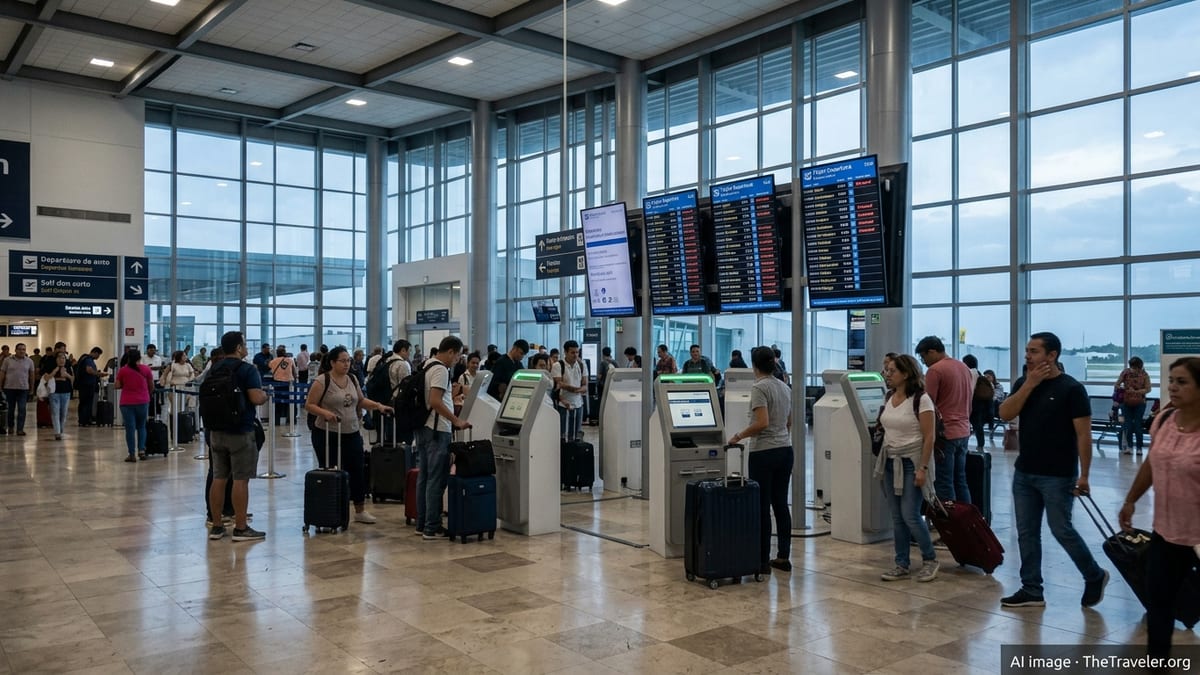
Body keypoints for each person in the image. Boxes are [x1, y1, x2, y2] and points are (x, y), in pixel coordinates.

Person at [997, 331, 1108, 608]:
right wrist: (1028, 385)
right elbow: (1005, 413)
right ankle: (1031, 588)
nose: (1027, 355)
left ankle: (1093, 575)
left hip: (1058, 475)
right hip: (1024, 472)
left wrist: (1084, 474)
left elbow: (1083, 434)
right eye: (1027, 350)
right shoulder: (1024, 382)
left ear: (1052, 355)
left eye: (1034, 351)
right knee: (1026, 532)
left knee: (1061, 529)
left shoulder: (1071, 389)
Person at [1119, 357, 1200, 660]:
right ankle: (1157, 660)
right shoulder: (1164, 421)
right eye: (1171, 380)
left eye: (1182, 382)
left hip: (1198, 535)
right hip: (1167, 531)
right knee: (1159, 600)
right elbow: (1153, 463)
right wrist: (1131, 499)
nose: (1173, 387)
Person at [872, 354, 940, 583]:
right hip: (891, 460)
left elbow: (929, 436)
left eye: (892, 371)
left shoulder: (922, 399)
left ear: (906, 373)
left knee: (910, 514)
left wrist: (922, 468)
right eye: (887, 371)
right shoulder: (889, 396)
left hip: (912, 462)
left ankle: (930, 559)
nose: (887, 375)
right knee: (897, 516)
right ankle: (901, 562)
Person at [305, 345, 392, 525]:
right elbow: (310, 404)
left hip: (351, 431)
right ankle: (331, 509)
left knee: (357, 470)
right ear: (332, 362)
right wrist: (325, 413)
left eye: (348, 360)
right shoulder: (322, 380)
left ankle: (359, 510)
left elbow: (360, 400)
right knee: (329, 469)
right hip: (328, 433)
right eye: (342, 361)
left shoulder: (352, 378)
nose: (346, 364)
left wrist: (377, 406)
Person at [728, 346, 794, 574]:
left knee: (762, 506)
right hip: (785, 450)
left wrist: (738, 436)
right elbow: (788, 422)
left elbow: (762, 422)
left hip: (763, 452)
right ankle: (783, 556)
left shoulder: (759, 388)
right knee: (780, 504)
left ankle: (762, 560)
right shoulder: (785, 387)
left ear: (754, 365)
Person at [206, 332, 269, 542]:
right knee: (241, 480)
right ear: (239, 348)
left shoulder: (215, 367)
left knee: (219, 477)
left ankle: (216, 526)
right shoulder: (248, 369)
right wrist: (264, 395)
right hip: (241, 431)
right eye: (244, 344)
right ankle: (241, 528)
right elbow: (255, 397)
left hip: (215, 431)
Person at [415, 336, 470, 540]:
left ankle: (422, 524)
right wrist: (456, 420)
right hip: (437, 430)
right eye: (457, 356)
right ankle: (432, 527)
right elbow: (435, 401)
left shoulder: (426, 365)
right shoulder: (440, 369)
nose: (457, 360)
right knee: (436, 480)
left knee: (425, 477)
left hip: (423, 428)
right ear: (450, 352)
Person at [915, 336, 973, 509]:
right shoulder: (963, 367)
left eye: (924, 357)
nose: (924, 362)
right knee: (960, 480)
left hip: (945, 434)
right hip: (963, 431)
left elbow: (928, 403)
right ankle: (967, 521)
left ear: (932, 352)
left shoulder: (935, 370)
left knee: (944, 482)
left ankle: (949, 523)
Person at [113, 349, 154, 462]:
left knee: (130, 429)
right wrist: (146, 394)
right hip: (143, 401)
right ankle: (141, 450)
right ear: (139, 358)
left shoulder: (123, 371)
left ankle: (131, 454)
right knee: (141, 426)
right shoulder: (146, 369)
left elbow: (117, 385)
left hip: (127, 403)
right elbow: (151, 386)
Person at [552, 340, 588, 442]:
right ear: (565, 352)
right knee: (563, 434)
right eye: (572, 352)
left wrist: (577, 390)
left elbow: (585, 385)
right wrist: (576, 389)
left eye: (577, 352)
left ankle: (574, 453)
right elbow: (559, 384)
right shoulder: (558, 366)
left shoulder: (582, 365)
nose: (575, 355)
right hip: (563, 405)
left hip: (578, 404)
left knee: (576, 433)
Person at [1116, 356, 1152, 456]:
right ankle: (1129, 447)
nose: (1135, 369)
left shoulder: (1144, 375)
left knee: (1137, 425)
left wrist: (1136, 392)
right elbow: (1117, 385)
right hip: (1126, 402)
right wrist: (1123, 389)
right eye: (1133, 367)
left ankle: (1139, 448)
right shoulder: (1125, 373)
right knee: (1128, 425)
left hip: (1140, 403)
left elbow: (1148, 389)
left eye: (1137, 367)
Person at [1, 343, 36, 436]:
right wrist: (0, 386)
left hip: (23, 389)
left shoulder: (29, 361)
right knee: (10, 410)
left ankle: (20, 429)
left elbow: (32, 376)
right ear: (15, 350)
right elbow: (2, 373)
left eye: (24, 349)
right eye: (20, 349)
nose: (22, 351)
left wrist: (32, 389)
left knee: (22, 409)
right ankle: (11, 427)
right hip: (9, 388)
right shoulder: (7, 360)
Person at [43, 352, 73, 440]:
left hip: (66, 392)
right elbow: (46, 378)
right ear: (56, 359)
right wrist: (55, 372)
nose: (61, 360)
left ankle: (61, 430)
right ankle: (57, 433)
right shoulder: (51, 367)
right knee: (55, 412)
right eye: (59, 358)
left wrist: (66, 375)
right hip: (54, 392)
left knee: (63, 413)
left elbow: (72, 378)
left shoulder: (68, 367)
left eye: (63, 358)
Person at [962, 354, 989, 451]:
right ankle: (980, 445)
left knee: (970, 424)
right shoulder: (978, 373)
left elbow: (970, 389)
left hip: (972, 403)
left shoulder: (970, 373)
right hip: (979, 403)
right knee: (978, 426)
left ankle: (969, 444)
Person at [75, 347, 105, 427]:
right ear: (95, 353)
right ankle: (85, 420)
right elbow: (89, 370)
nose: (98, 357)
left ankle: (83, 420)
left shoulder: (84, 358)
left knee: (84, 403)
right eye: (98, 355)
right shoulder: (88, 360)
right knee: (86, 403)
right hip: (87, 385)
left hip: (84, 385)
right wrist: (98, 374)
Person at [267, 346, 296, 426]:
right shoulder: (290, 360)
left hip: (277, 383)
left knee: (277, 403)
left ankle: (277, 421)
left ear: (277, 353)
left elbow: (270, 369)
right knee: (290, 403)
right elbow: (294, 372)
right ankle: (291, 420)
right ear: (285, 352)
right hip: (289, 383)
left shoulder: (273, 361)